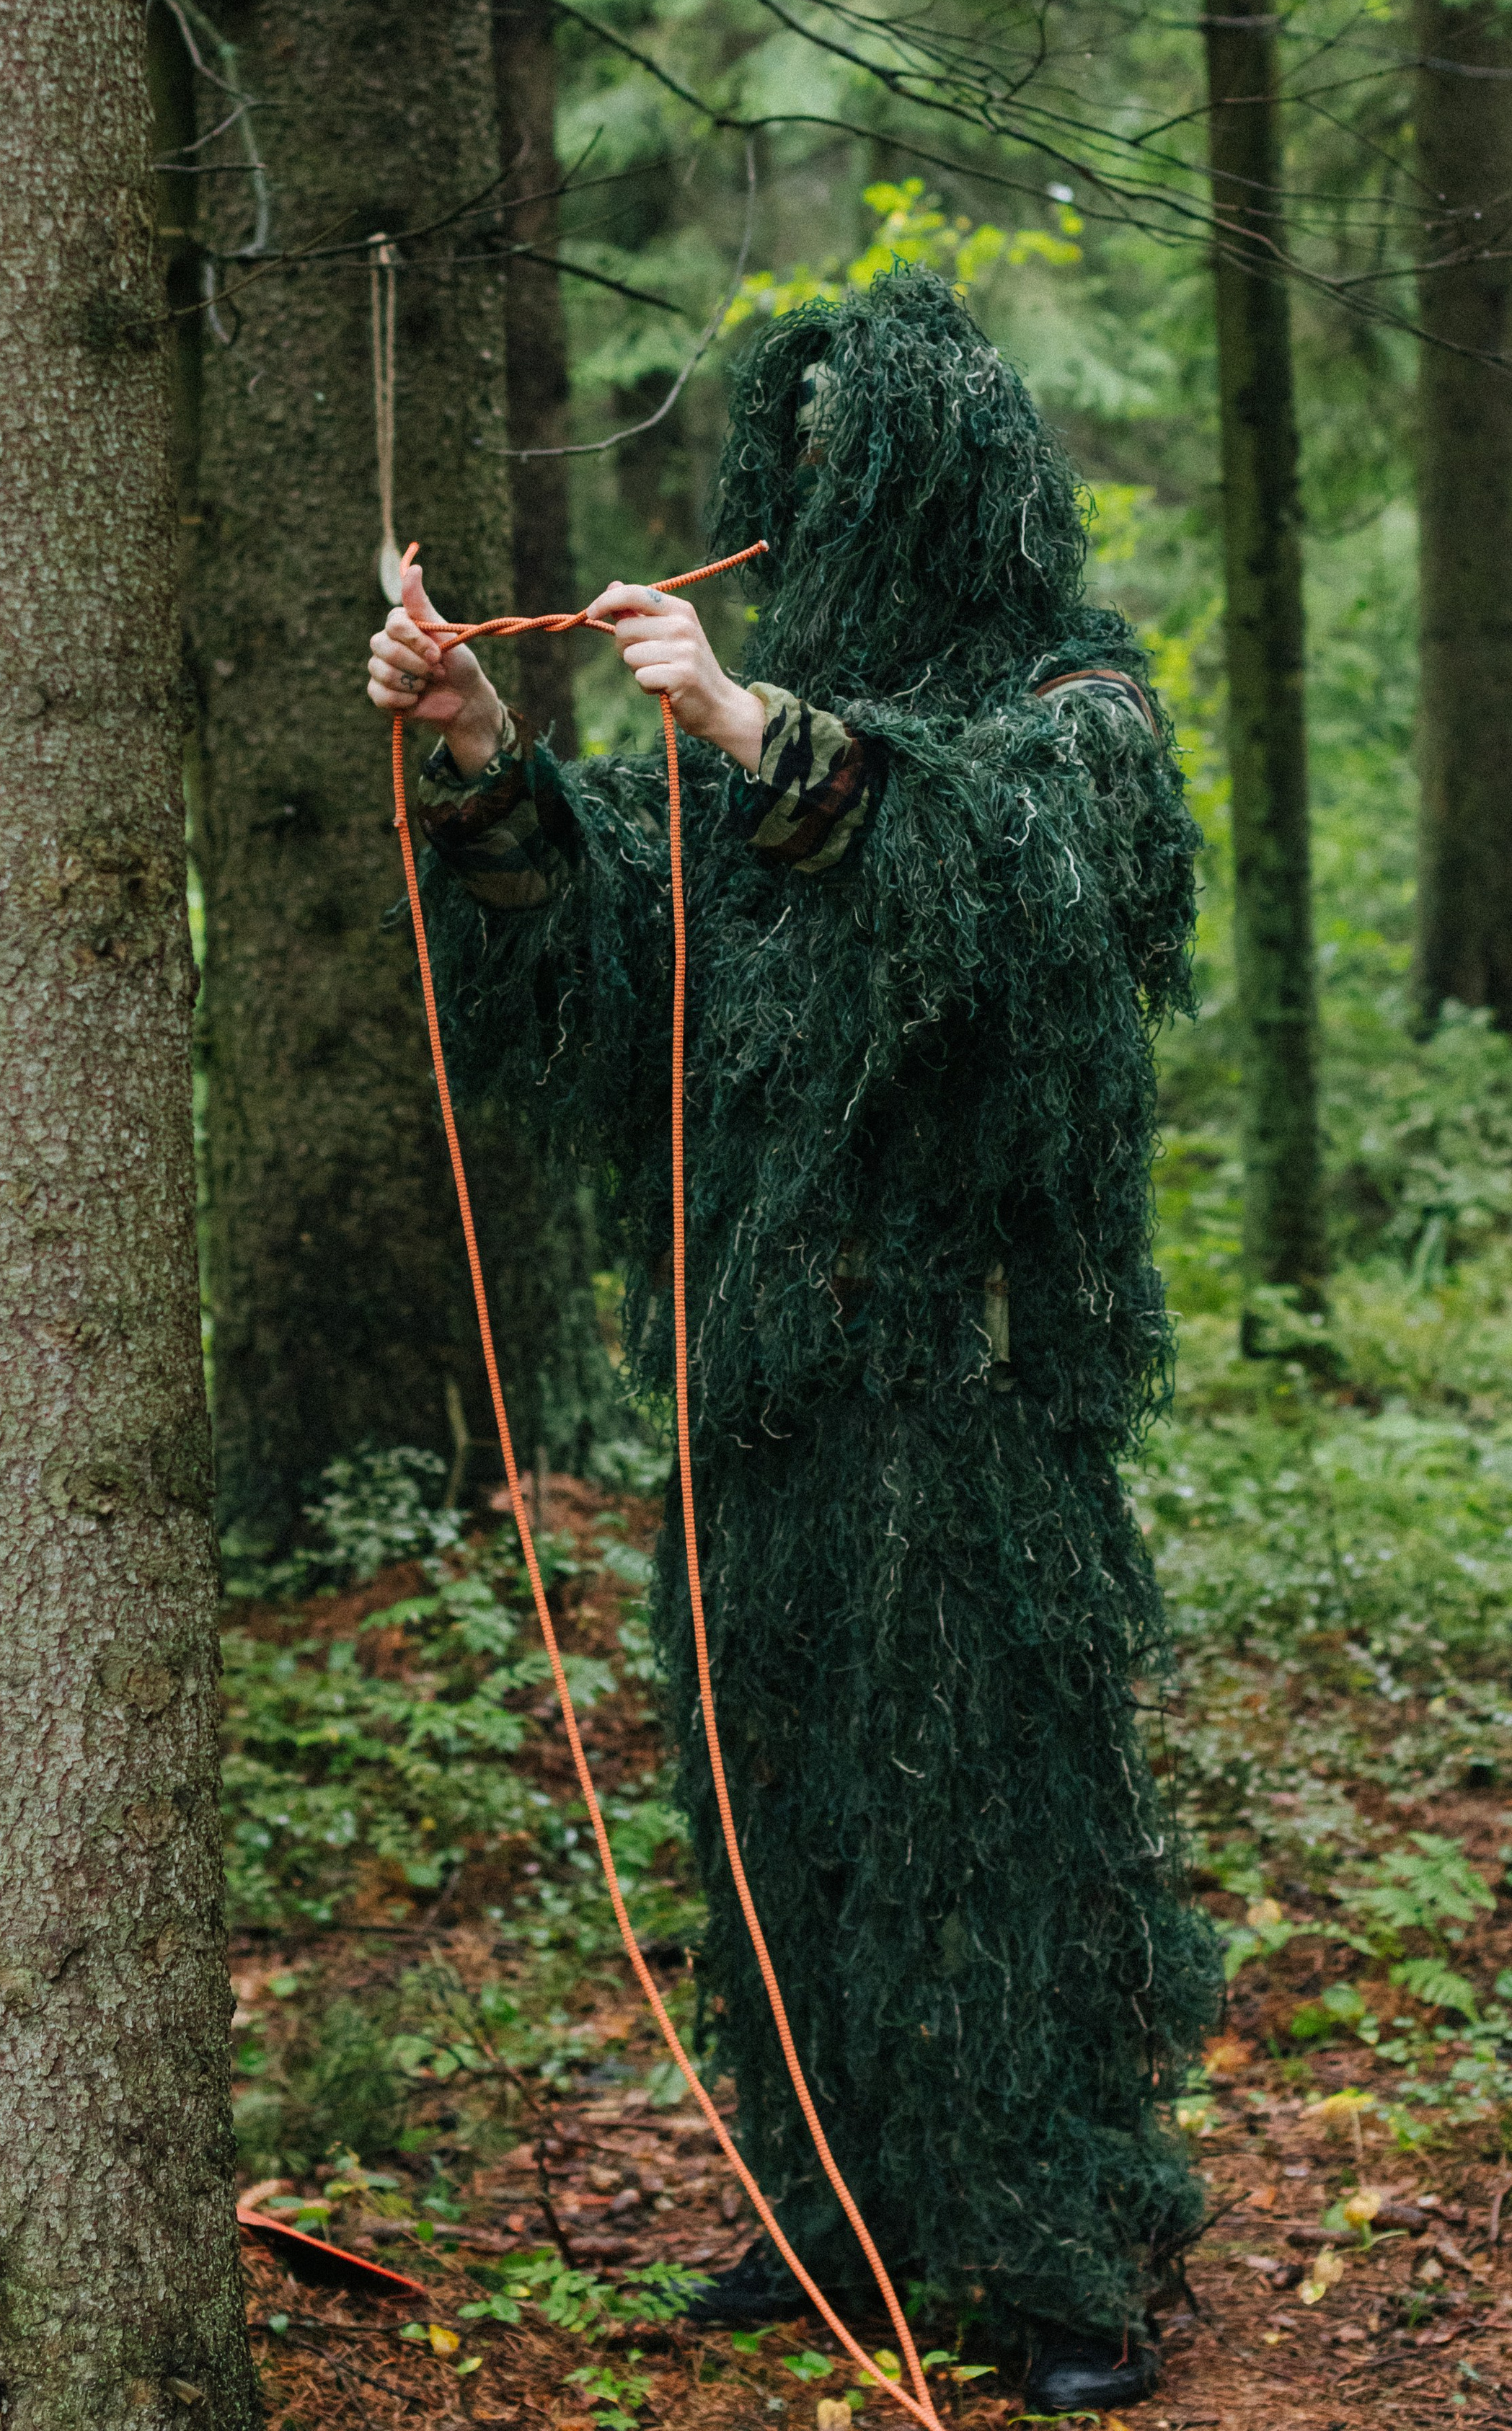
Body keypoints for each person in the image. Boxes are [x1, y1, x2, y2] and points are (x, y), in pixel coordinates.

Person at [365, 268, 1220, 2414]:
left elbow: (1019, 874)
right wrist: (481, 749)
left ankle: (1062, 2250)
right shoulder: (744, 742)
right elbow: (613, 951)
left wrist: (758, 726)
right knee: (789, 1798)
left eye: (864, 477)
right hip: (757, 1388)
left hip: (973, 1390)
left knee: (998, 1817)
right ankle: (835, 2196)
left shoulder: (1075, 699)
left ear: (955, 492)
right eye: (801, 475)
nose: (822, 510)